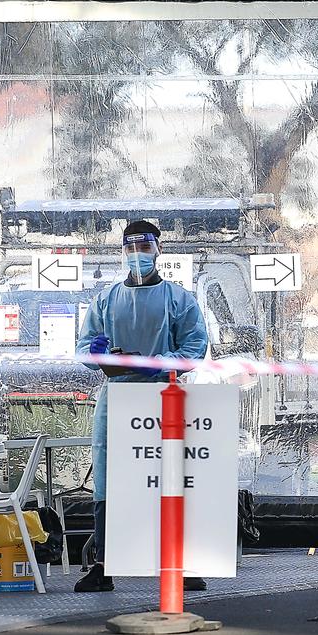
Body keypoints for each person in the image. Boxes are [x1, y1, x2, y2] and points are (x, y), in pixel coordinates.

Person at [73, 220, 209, 593]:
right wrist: (98, 355)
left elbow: (194, 349)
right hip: (115, 397)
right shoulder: (106, 299)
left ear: (158, 250)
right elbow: (86, 346)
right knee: (108, 481)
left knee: (167, 477)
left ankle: (179, 564)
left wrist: (156, 362)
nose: (138, 255)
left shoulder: (179, 300)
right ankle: (104, 564)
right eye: (131, 248)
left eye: (144, 247)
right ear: (123, 252)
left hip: (161, 397)